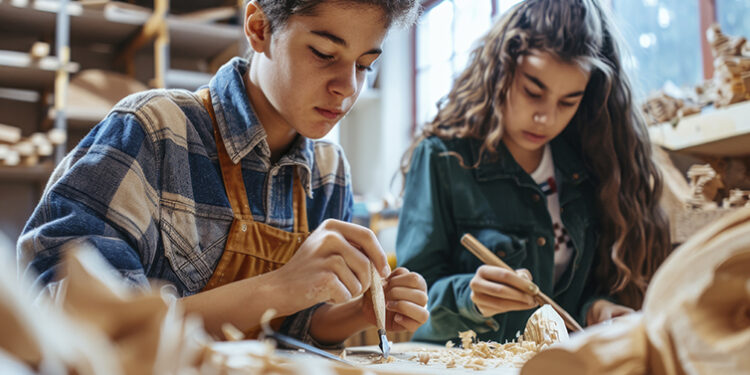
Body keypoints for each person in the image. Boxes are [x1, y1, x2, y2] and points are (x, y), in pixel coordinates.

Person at [18, 0, 428, 347]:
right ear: (259, 28)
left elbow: (292, 326)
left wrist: (358, 312)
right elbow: (74, 319)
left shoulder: (327, 171)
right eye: (323, 52)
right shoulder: (155, 129)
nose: (347, 87)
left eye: (364, 65)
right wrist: (278, 287)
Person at [396, 0, 671, 344]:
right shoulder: (442, 158)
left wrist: (597, 310)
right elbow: (410, 306)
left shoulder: (589, 164)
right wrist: (471, 299)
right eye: (533, 91)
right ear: (500, 70)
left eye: (568, 101)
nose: (547, 118)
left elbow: (584, 288)